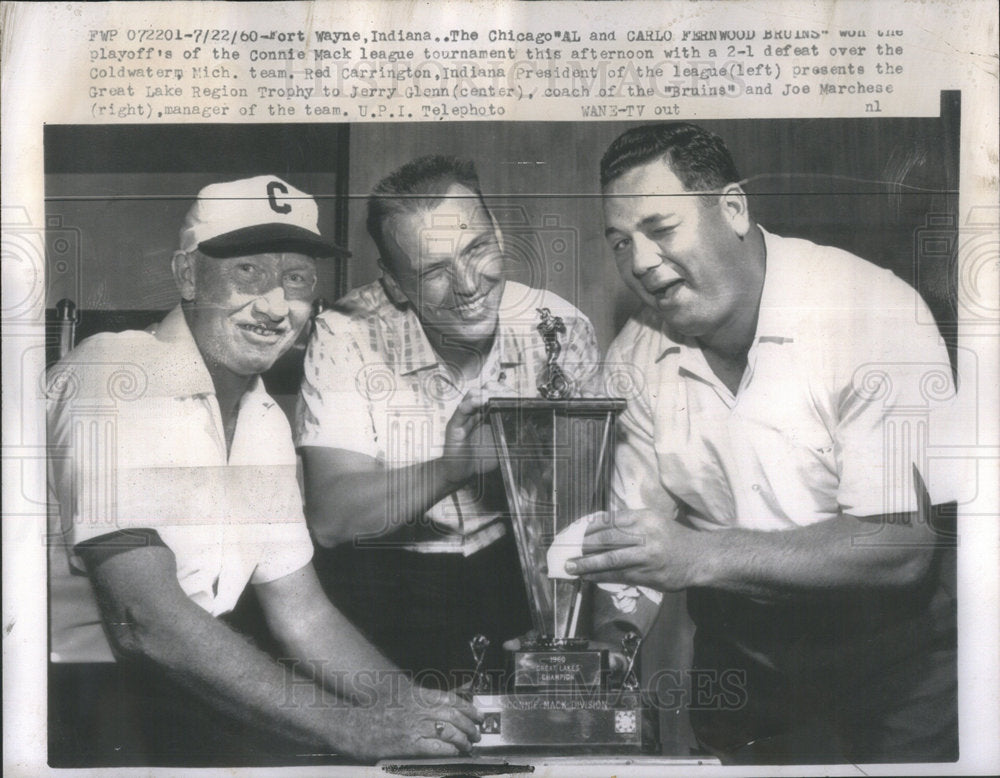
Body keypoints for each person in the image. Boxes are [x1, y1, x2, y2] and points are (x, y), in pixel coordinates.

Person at [47, 175, 480, 767]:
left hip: (188, 685)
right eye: (247, 272)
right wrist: (352, 729)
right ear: (187, 276)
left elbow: (303, 614)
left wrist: (416, 709)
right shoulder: (118, 373)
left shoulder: (264, 416)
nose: (276, 306)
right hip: (68, 702)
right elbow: (142, 618)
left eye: (296, 279)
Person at [567, 123, 958, 763]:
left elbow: (899, 546)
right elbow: (636, 545)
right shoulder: (634, 356)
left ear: (733, 208)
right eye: (619, 243)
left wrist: (696, 556)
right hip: (740, 672)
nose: (639, 262)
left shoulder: (873, 311)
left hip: (895, 666)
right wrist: (613, 649)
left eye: (660, 230)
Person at [296, 156, 602, 684]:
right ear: (394, 284)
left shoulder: (561, 328)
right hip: (383, 585)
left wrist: (559, 623)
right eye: (434, 271)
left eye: (476, 247)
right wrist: (451, 469)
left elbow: (582, 506)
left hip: (516, 571)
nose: (467, 284)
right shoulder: (346, 333)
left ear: (499, 235)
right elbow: (330, 519)